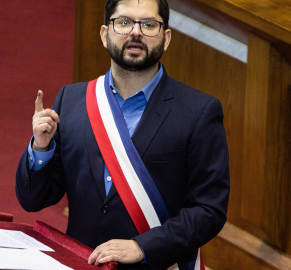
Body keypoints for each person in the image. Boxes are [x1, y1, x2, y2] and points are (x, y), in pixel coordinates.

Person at [15, 0, 230, 269]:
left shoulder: (199, 112)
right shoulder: (71, 100)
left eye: (149, 24)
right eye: (124, 22)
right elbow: (33, 199)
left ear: (166, 39)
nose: (136, 32)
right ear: (105, 35)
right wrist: (40, 148)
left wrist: (143, 246)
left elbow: (209, 211)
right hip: (82, 262)